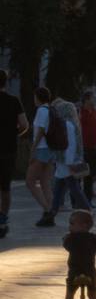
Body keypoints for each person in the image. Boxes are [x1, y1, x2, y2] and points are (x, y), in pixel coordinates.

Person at [49, 99, 92, 218]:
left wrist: (69, 162)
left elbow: (70, 145)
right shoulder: (71, 123)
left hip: (67, 163)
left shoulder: (67, 125)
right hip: (65, 162)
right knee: (59, 189)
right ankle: (51, 213)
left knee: (74, 189)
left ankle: (87, 210)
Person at [62, 209, 96, 299]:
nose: (69, 226)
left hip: (74, 272)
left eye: (72, 223)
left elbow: (66, 246)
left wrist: (65, 238)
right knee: (92, 295)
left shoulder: (70, 238)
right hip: (90, 272)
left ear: (84, 225)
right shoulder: (94, 238)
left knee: (70, 293)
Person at [0, 69, 28, 239]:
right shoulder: (13, 101)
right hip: (8, 149)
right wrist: (12, 133)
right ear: (6, 82)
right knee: (5, 187)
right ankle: (3, 219)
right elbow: (24, 124)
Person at [28, 87, 56, 224]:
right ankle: (50, 212)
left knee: (30, 181)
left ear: (38, 98)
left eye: (34, 97)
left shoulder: (41, 111)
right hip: (50, 150)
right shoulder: (50, 110)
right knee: (45, 182)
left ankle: (47, 210)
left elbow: (40, 132)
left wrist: (32, 150)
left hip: (41, 149)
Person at [79, 91, 96, 201]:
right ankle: (82, 199)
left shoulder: (94, 111)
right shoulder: (80, 113)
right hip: (84, 147)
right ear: (87, 99)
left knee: (94, 172)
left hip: (94, 147)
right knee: (83, 174)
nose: (95, 100)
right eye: (93, 98)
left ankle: (88, 197)